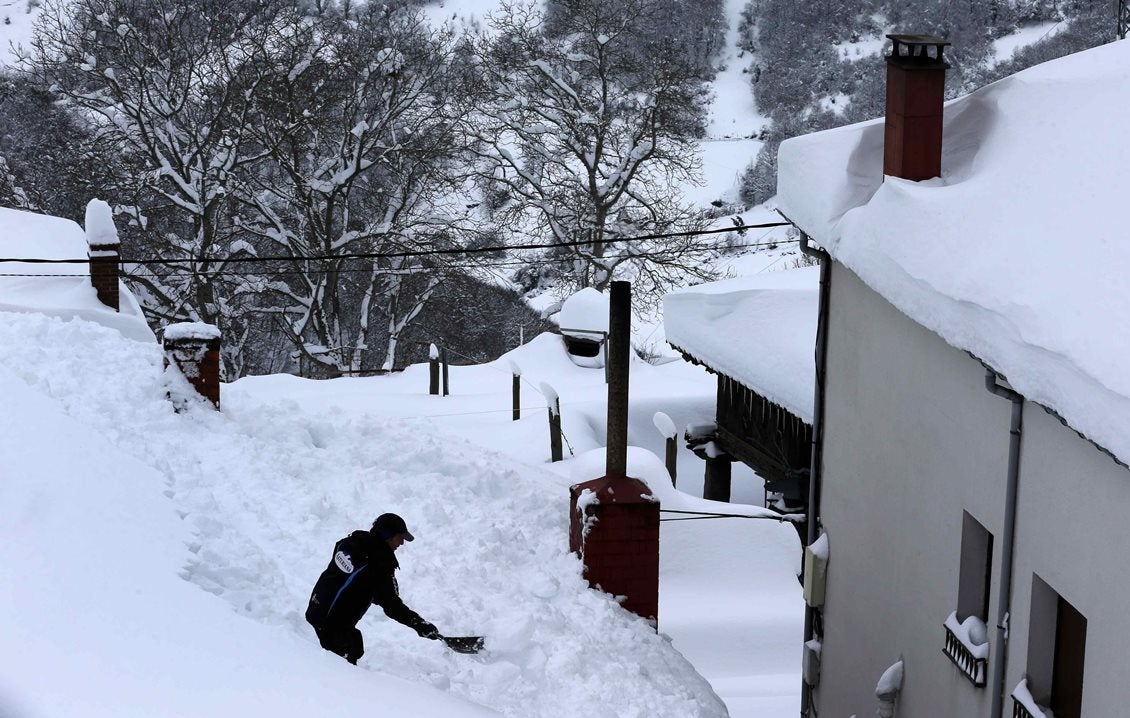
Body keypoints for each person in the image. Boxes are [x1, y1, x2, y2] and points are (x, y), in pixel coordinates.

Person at [305, 513, 440, 664]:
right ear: (388, 535)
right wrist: (419, 624)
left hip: (316, 608)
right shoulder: (380, 566)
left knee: (353, 644)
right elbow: (392, 606)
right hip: (335, 627)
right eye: (399, 537)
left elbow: (354, 579)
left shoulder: (350, 543)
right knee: (349, 653)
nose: (402, 542)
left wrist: (371, 592)